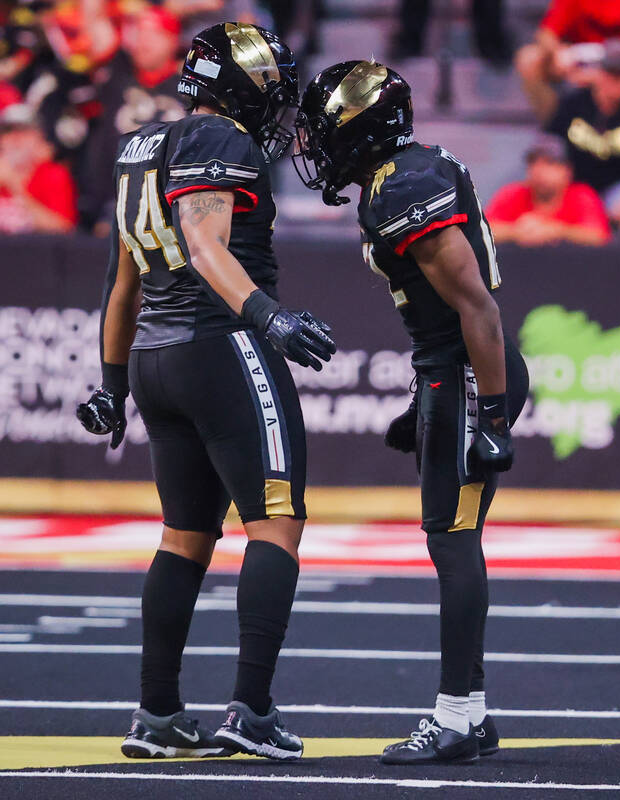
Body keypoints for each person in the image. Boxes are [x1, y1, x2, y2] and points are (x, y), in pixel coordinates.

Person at [75, 22, 335, 761]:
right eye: (270, 90)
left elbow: (122, 282)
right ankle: (251, 710)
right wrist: (270, 316)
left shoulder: (139, 146)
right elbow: (203, 244)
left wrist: (113, 382)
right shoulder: (218, 143)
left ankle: (156, 714)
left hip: (157, 358)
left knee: (184, 538)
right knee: (277, 521)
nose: (276, 107)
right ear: (238, 86)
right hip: (221, 344)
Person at [294, 59, 529, 765]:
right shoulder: (405, 174)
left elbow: (475, 307)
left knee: (452, 543)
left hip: (464, 373)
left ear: (367, 131)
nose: (321, 147)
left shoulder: (405, 188)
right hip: (449, 374)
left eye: (330, 132)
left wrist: (487, 416)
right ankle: (472, 712)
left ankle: (456, 717)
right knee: (451, 539)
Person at [78, 6, 188, 231]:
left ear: (173, 40)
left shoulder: (189, 89)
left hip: (172, 203)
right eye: (139, 33)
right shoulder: (115, 77)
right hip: (113, 203)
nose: (144, 42)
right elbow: (94, 23)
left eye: (154, 34)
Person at [546, 38, 620, 219]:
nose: (615, 81)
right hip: (574, 189)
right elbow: (549, 146)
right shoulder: (574, 103)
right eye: (610, 73)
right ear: (598, 72)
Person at [515, 0, 620, 121]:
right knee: (529, 58)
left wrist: (602, 75)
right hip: (580, 67)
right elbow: (546, 34)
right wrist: (558, 53)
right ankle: (555, 129)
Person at [486, 134, 610, 246]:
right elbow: (483, 230)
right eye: (533, 163)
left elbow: (598, 236)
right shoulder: (513, 193)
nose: (539, 170)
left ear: (567, 171)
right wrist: (516, 231)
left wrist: (555, 230)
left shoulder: (581, 195)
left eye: (549, 163)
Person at [0, 103, 77, 233]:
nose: (16, 138)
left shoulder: (53, 174)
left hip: (36, 251)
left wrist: (15, 187)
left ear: (39, 137)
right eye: (8, 131)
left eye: (24, 131)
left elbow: (63, 230)